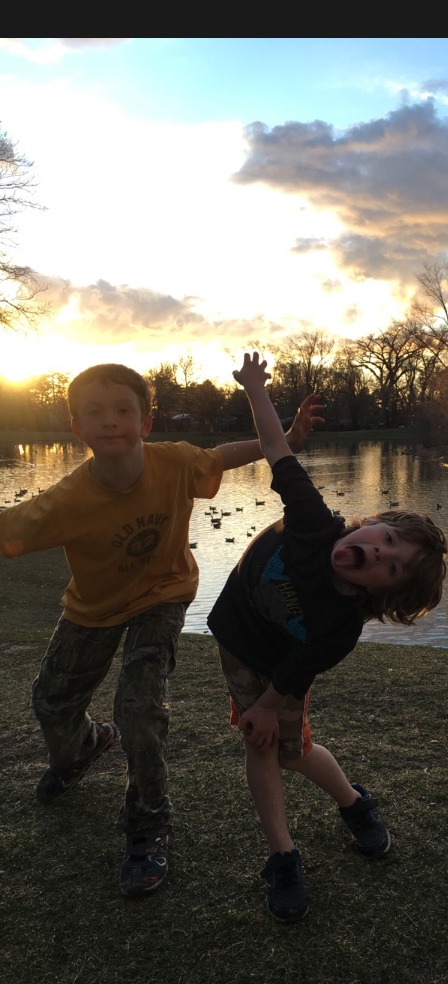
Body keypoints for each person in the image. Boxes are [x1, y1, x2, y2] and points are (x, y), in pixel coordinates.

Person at [0, 362, 322, 897]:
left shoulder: (173, 462)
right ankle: (84, 747)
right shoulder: (64, 501)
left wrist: (285, 440)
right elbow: (9, 529)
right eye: (94, 413)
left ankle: (149, 823)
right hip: (94, 607)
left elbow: (221, 456)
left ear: (145, 422)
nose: (110, 421)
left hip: (163, 596)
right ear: (76, 427)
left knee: (139, 707)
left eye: (122, 410)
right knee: (50, 701)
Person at [208, 353, 448, 922]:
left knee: (292, 751)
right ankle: (283, 856)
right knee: (262, 745)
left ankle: (352, 802)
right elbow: (277, 449)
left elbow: (298, 669)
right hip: (239, 640)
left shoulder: (341, 628)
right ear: (372, 523)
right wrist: (255, 388)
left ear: (383, 595)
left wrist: (268, 705)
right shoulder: (314, 520)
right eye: (386, 537)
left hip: (282, 666)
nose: (380, 553)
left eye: (392, 566)